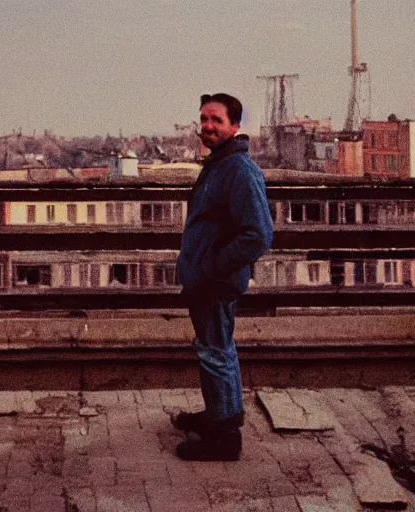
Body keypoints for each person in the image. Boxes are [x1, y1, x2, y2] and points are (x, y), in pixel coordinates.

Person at [173, 93, 274, 461]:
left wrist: (212, 266)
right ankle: (219, 416)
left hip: (215, 280)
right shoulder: (220, 164)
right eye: (204, 119)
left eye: (216, 120)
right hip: (207, 278)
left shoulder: (238, 170)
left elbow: (259, 234)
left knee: (216, 353)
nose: (208, 126)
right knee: (217, 350)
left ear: (235, 125)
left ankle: (224, 438)